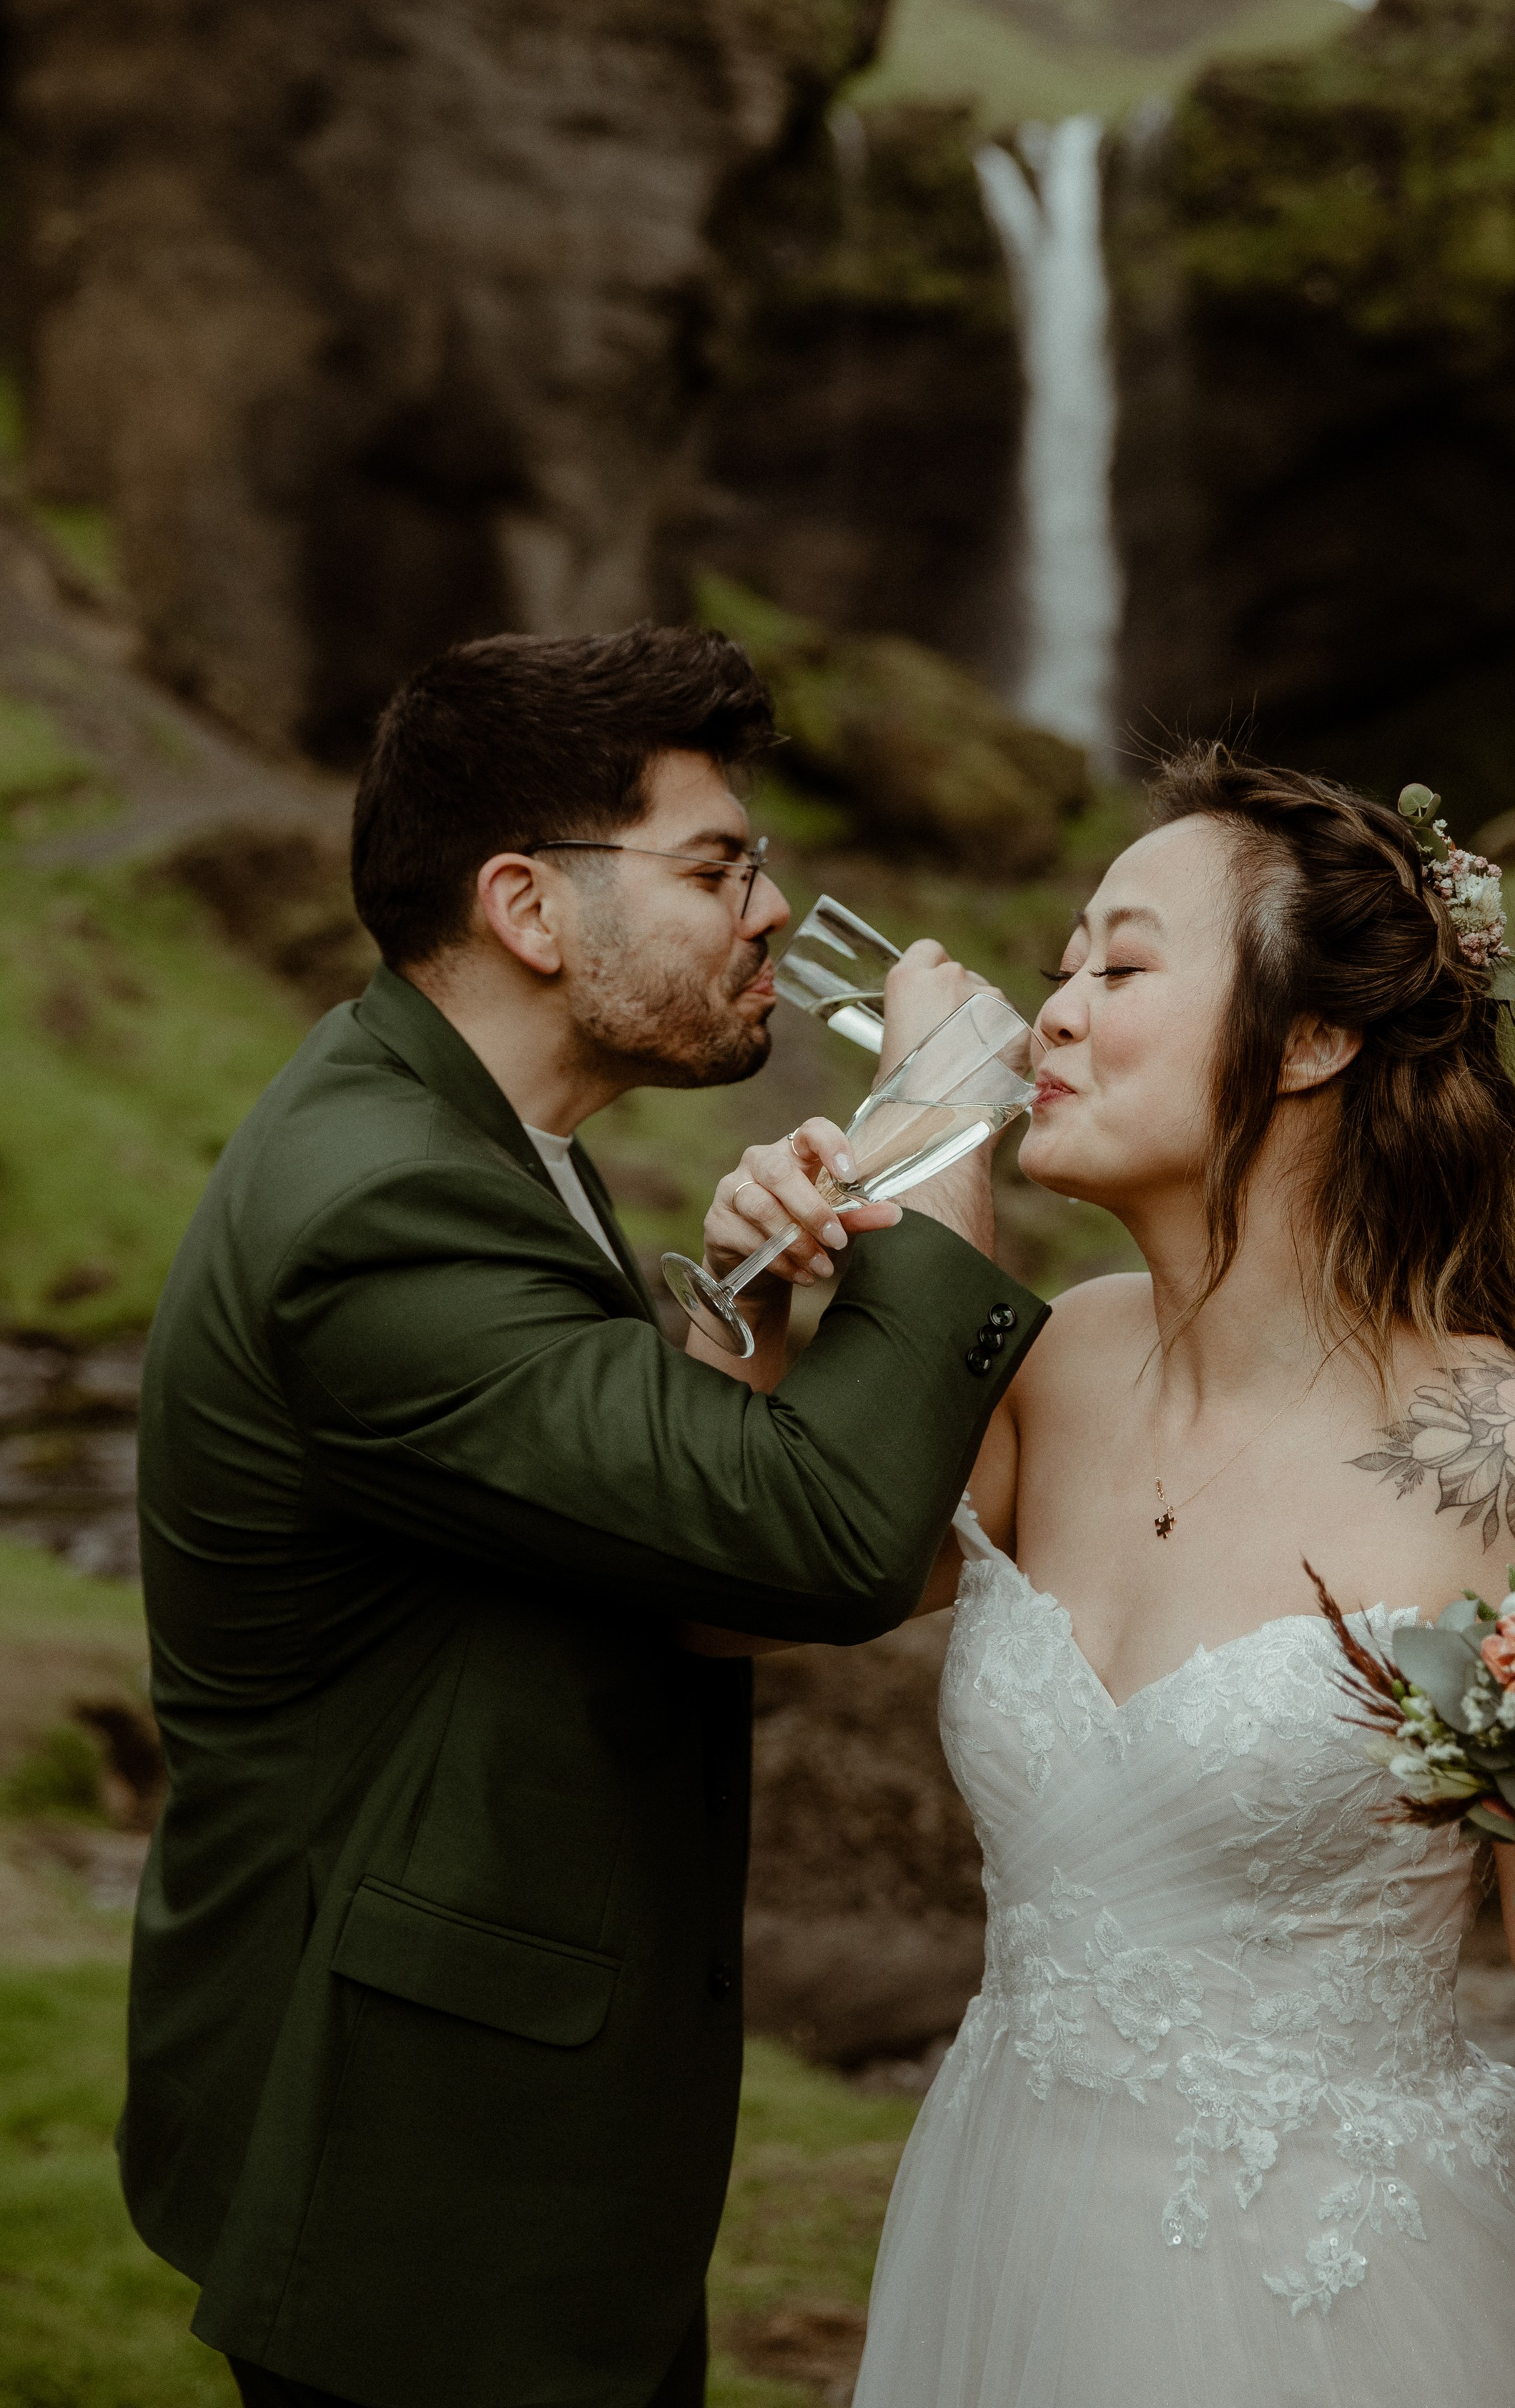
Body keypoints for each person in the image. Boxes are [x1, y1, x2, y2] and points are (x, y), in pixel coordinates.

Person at [120, 623, 1047, 2408]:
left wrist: (746, 1314)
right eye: (719, 866)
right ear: (530, 909)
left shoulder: (466, 1141)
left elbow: (645, 1532)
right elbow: (818, 1543)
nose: (772, 910)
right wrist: (943, 1117)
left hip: (493, 2131)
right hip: (417, 2156)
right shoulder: (380, 1208)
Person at [839, 751, 1515, 2408]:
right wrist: (800, 1276)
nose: (1051, 1013)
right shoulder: (1047, 1363)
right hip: (1002, 2226)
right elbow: (777, 1579)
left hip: (1337, 2295)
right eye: (1064, 961)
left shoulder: (1502, 1455)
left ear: (1311, 1038)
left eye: (1123, 965)